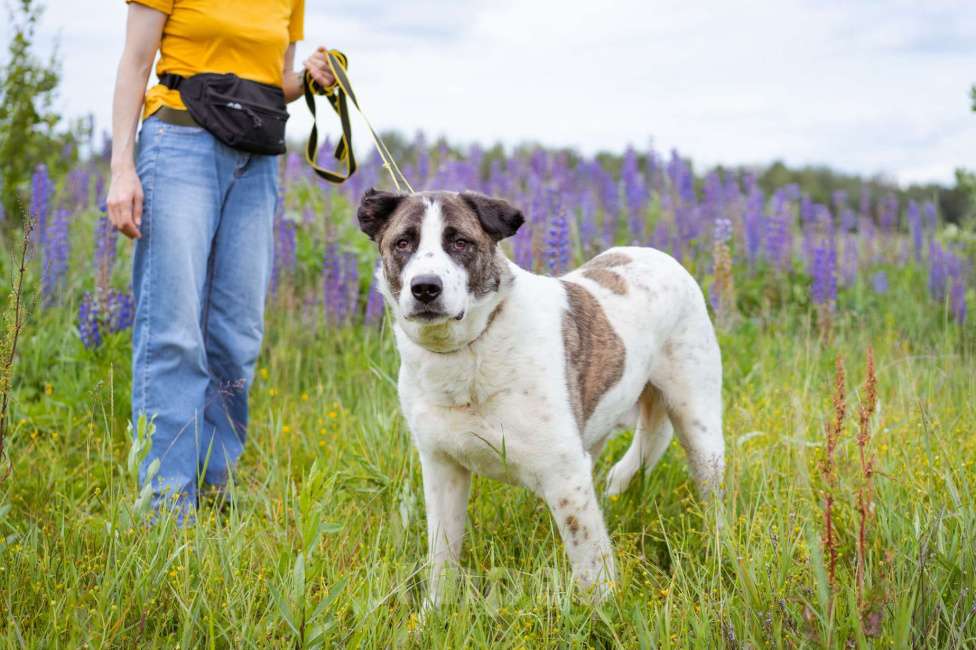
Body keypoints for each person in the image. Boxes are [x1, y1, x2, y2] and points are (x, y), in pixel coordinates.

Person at [107, 0, 336, 521]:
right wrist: (122, 167)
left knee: (236, 334)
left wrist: (310, 77)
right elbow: (135, 61)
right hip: (178, 143)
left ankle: (215, 487)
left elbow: (275, 83)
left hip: (255, 162)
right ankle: (165, 504)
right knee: (173, 330)